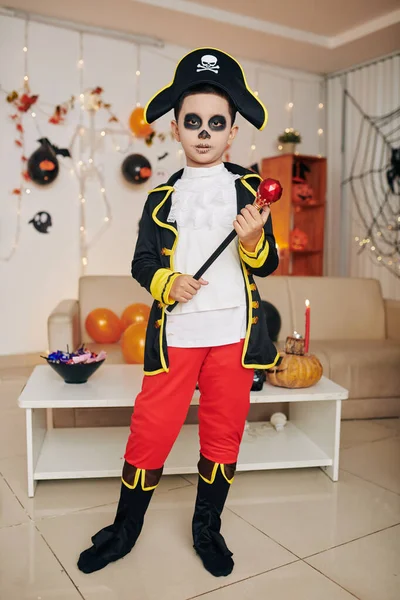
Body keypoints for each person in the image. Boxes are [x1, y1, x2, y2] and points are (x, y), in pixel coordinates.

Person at [78, 47, 280, 578]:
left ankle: (206, 530)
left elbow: (268, 263)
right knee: (150, 430)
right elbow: (143, 262)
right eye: (194, 122)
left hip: (234, 337)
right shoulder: (161, 197)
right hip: (178, 337)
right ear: (176, 128)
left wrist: (255, 239)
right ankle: (124, 531)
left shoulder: (252, 191)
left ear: (233, 131)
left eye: (217, 123)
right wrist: (168, 282)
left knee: (222, 434)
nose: (205, 132)